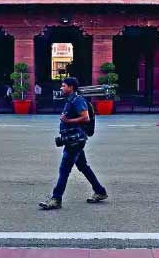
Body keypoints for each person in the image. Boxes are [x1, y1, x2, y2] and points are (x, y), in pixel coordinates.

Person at [39, 77, 108, 210]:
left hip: (75, 141)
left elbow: (85, 117)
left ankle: (56, 199)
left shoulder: (78, 100)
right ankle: (100, 191)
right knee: (83, 166)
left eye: (63, 86)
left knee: (64, 170)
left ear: (71, 87)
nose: (61, 88)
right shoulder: (70, 100)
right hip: (72, 139)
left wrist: (68, 121)